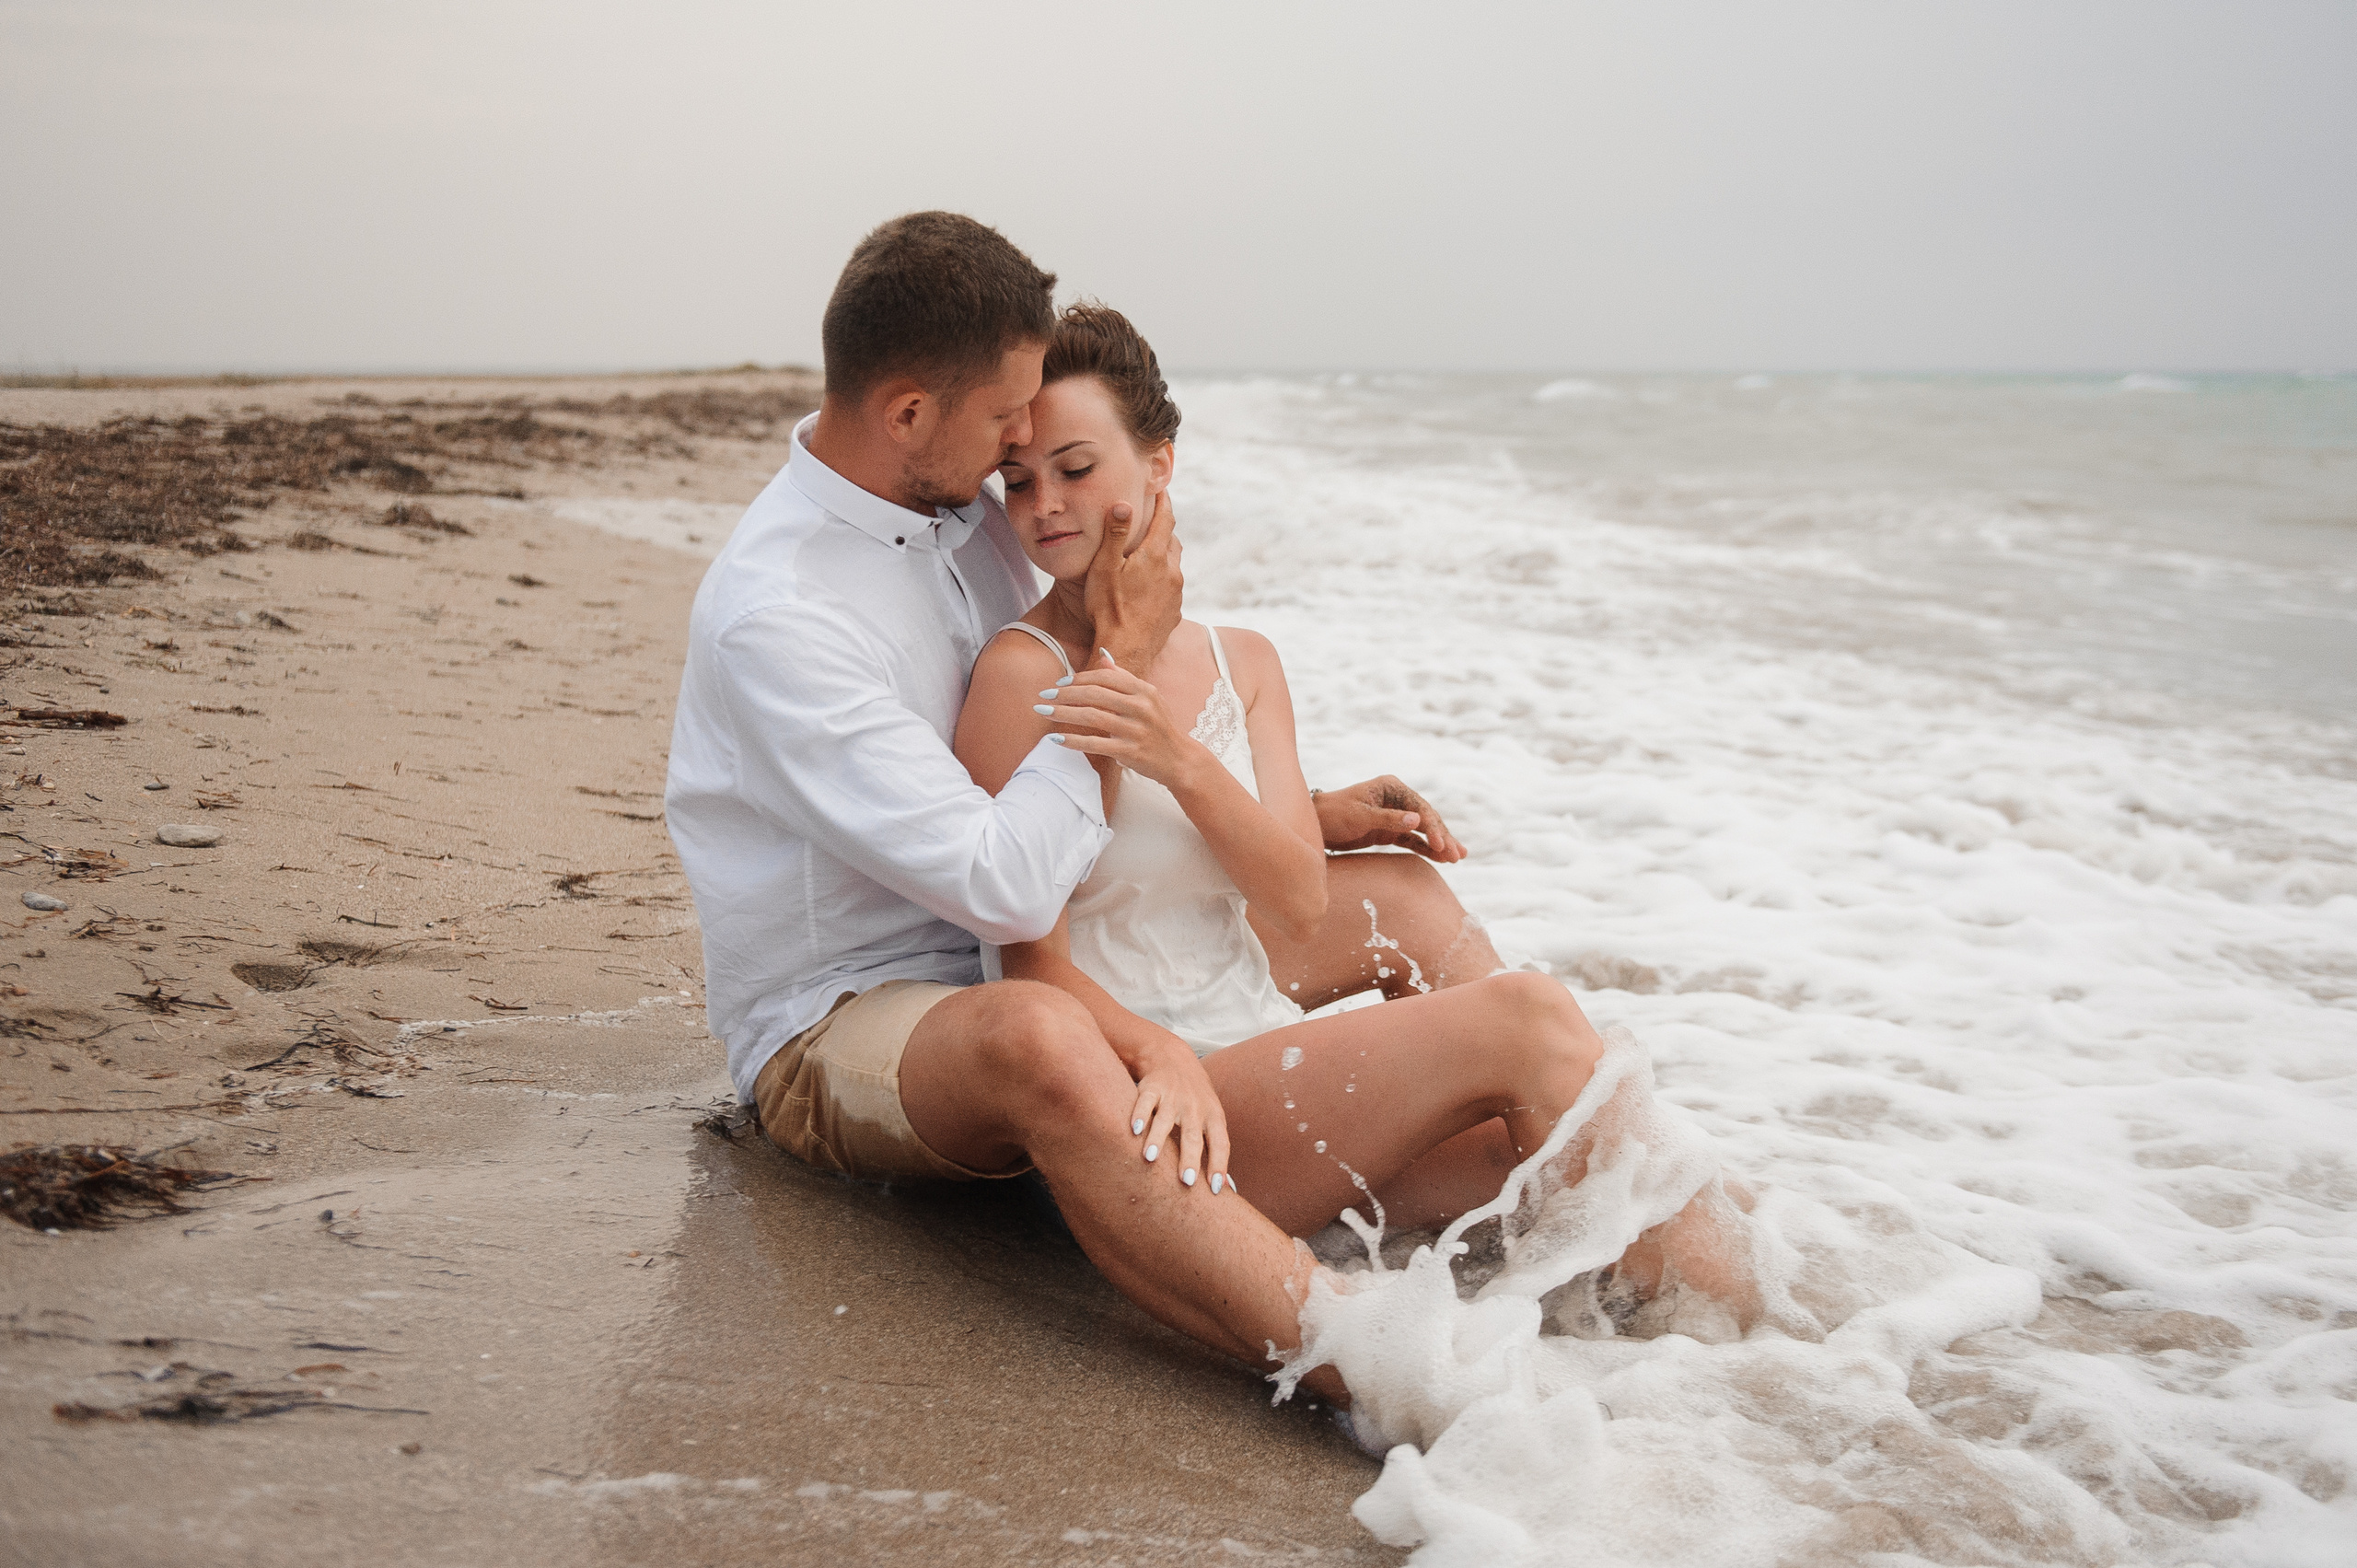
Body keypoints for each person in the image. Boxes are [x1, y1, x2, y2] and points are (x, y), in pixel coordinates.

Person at [664, 214, 1730, 1404]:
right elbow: (1012, 872)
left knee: (1403, 903)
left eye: (1052, 448)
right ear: (910, 412)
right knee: (1043, 1034)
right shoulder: (785, 610)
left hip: (1052, 929)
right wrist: (1149, 1021)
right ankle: (1370, 1360)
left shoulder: (961, 511)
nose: (1025, 452)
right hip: (860, 1004)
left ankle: (1729, 1299)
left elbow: (1096, 737)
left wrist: (1291, 806)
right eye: (1008, 427)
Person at [951, 305, 1757, 1315]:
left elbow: (1292, 895)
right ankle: (1745, 1341)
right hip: (1160, 1101)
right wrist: (1122, 678)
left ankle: (1725, 1343)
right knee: (1533, 1018)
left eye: (1074, 468)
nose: (1043, 506)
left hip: (1251, 1035)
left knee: (1571, 1141)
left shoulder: (1242, 660)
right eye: (1018, 480)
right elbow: (1026, 965)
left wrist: (1178, 754)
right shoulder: (1017, 673)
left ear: (1158, 464)